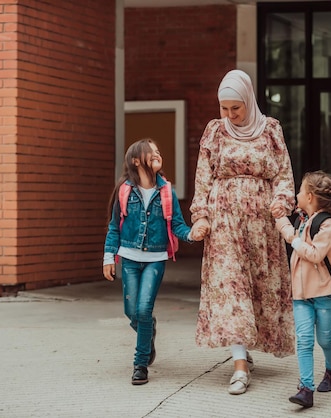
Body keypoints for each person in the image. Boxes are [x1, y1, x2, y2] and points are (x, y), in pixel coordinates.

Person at [190, 69, 296, 395]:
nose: (230, 115)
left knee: (257, 289)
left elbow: (283, 174)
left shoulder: (271, 130)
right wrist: (201, 215)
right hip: (224, 224)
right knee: (231, 289)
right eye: (224, 108)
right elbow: (203, 178)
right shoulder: (215, 131)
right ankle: (238, 365)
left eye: (236, 108)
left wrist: (281, 202)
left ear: (248, 101)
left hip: (262, 226)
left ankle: (245, 350)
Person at [103, 138, 206, 386]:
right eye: (152, 152)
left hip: (156, 259)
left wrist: (192, 234)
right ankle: (148, 330)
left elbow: (177, 225)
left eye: (159, 151)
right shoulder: (124, 191)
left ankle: (140, 364)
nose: (158, 154)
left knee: (143, 310)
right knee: (132, 312)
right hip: (128, 257)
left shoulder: (167, 191)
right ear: (136, 160)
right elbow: (114, 227)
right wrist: (109, 257)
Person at [274, 170, 331, 408]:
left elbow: (314, 254)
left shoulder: (326, 224)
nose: (297, 195)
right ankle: (306, 389)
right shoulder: (303, 219)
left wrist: (291, 237)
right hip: (301, 296)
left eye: (301, 191)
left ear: (311, 196)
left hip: (324, 295)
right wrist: (284, 221)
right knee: (304, 340)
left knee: (325, 339)